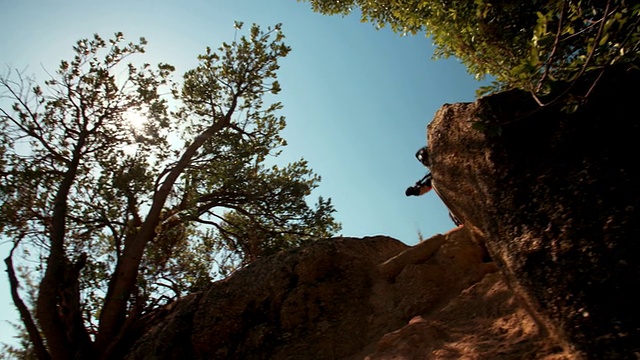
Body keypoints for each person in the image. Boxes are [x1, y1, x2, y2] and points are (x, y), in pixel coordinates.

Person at [405, 146, 463, 226]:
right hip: (456, 198)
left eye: (426, 159)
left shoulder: (447, 160)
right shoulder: (433, 177)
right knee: (453, 215)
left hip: (463, 188)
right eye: (424, 161)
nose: (426, 162)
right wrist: (416, 191)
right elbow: (426, 187)